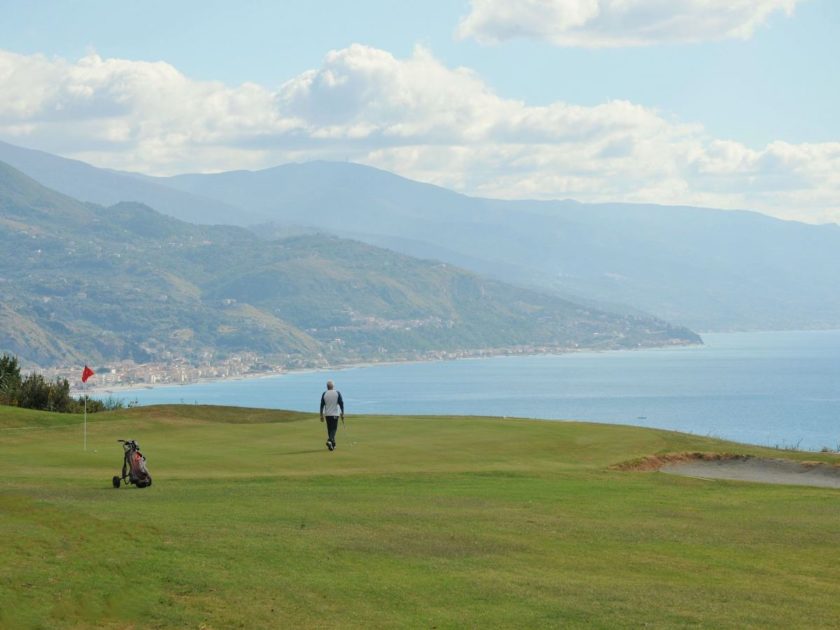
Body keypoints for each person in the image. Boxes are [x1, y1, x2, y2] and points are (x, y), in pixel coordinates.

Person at [320, 380, 344, 451]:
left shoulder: (324, 393)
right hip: (335, 414)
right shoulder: (337, 393)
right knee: (334, 429)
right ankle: (330, 440)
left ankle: (332, 445)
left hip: (327, 415)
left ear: (327, 386)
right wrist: (342, 413)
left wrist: (321, 415)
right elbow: (341, 403)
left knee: (330, 429)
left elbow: (322, 405)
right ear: (333, 386)